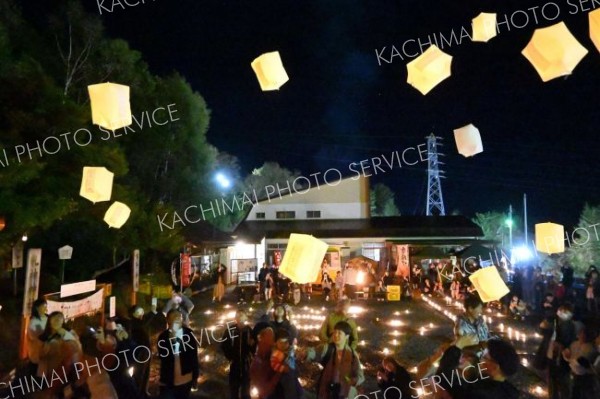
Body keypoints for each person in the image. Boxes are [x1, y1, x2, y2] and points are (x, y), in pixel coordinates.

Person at [435, 335, 520, 399]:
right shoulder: (510, 391)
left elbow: (442, 376)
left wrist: (457, 346)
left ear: (495, 367)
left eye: (485, 358)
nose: (480, 360)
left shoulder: (479, 394)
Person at [307, 321, 364, 399]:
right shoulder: (327, 348)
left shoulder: (352, 354)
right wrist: (306, 353)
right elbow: (313, 352)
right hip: (326, 390)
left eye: (339, 333)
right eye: (334, 332)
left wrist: (353, 381)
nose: (336, 335)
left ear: (347, 336)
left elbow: (360, 375)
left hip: (345, 393)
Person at [37, 311, 82, 398]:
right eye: (54, 318)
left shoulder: (69, 333)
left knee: (64, 393)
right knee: (51, 393)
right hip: (49, 371)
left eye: (60, 318)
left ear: (63, 321)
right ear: (49, 321)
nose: (57, 320)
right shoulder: (43, 337)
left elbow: (76, 348)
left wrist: (64, 334)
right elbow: (38, 356)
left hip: (65, 370)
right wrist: (43, 351)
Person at [157, 309, 200, 399]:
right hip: (168, 380)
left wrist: (195, 377)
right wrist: (172, 341)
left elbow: (193, 356)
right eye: (174, 317)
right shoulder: (163, 337)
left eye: (179, 317)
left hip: (185, 379)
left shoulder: (188, 333)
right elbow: (163, 356)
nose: (177, 319)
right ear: (168, 320)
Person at [546, 304, 578, 399]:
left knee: (561, 380)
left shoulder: (569, 325)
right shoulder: (558, 322)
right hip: (554, 354)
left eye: (563, 311)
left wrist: (560, 346)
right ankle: (554, 395)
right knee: (554, 379)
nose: (560, 313)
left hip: (561, 356)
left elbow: (567, 341)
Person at [222, 309, 255, 399]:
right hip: (234, 363)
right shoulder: (230, 330)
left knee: (246, 387)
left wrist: (252, 345)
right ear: (235, 318)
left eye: (242, 315)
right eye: (238, 315)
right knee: (234, 387)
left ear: (245, 317)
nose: (240, 317)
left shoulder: (249, 330)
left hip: (246, 364)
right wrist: (230, 357)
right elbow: (224, 345)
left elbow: (254, 348)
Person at [563, 325, 598, 399]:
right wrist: (567, 355)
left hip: (586, 377)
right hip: (574, 374)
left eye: (583, 334)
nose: (581, 336)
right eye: (580, 333)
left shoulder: (591, 348)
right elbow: (568, 354)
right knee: (573, 393)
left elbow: (588, 364)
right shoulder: (574, 344)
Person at [270, 329, 302, 398]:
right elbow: (273, 364)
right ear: (276, 343)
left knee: (296, 390)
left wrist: (297, 357)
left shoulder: (290, 350)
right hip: (284, 377)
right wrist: (283, 368)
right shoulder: (276, 354)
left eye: (286, 342)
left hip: (293, 375)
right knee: (289, 391)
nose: (283, 345)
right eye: (281, 343)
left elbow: (293, 359)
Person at [128, 305, 152, 396]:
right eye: (139, 312)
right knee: (139, 372)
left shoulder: (140, 322)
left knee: (145, 371)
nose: (141, 314)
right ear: (133, 314)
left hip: (145, 350)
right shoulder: (134, 323)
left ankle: (143, 390)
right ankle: (137, 392)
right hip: (140, 351)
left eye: (142, 311)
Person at [27, 298, 48, 375]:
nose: (45, 308)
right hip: (37, 355)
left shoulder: (47, 318)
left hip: (48, 354)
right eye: (43, 306)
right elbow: (34, 338)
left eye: (46, 305)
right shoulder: (33, 322)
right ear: (37, 308)